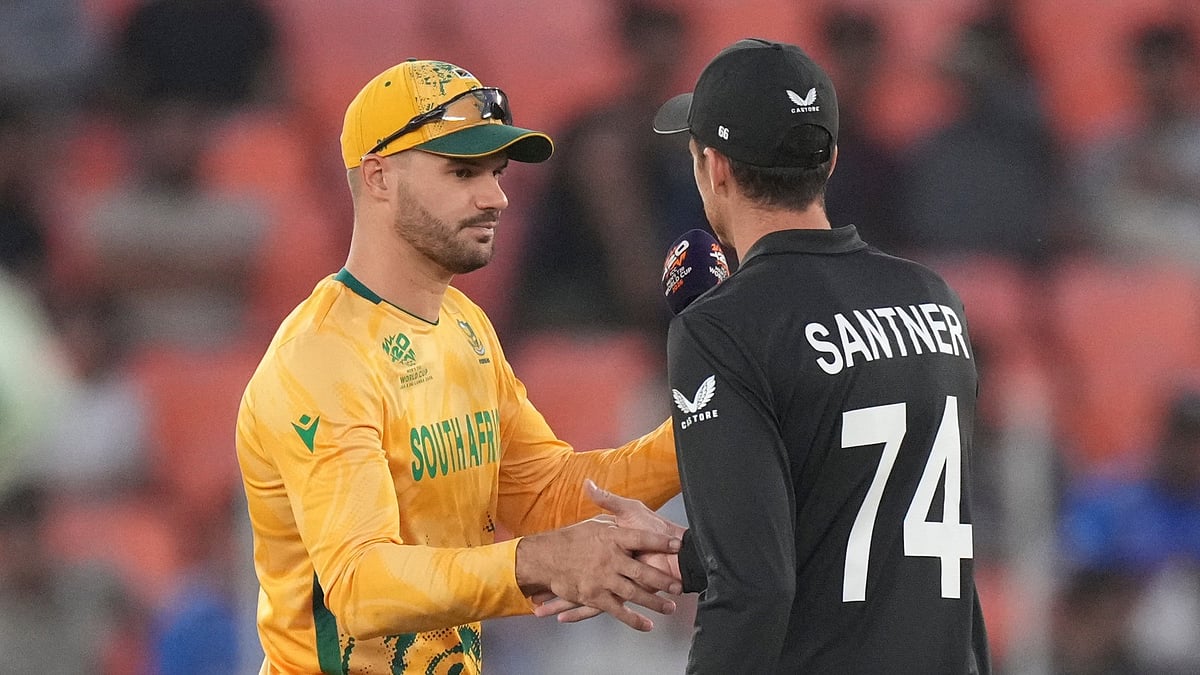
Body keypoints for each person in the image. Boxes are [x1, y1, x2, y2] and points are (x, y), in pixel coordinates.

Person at [540, 38, 991, 673]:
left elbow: (755, 590)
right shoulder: (934, 299)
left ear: (714, 168)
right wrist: (701, 554)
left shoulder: (722, 327)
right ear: (829, 161)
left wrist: (723, 561)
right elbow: (888, 527)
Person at [234, 59, 684, 674]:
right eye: (462, 171)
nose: (495, 196)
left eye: (495, 173)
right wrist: (536, 561)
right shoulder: (323, 357)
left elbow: (546, 496)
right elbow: (360, 584)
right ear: (379, 177)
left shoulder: (465, 326)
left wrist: (701, 431)